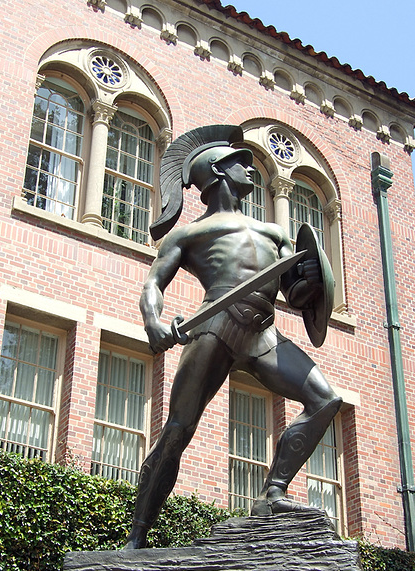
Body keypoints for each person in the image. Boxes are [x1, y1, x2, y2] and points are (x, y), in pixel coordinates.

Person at [124, 125, 341, 549]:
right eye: (241, 164)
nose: (250, 169)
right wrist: (154, 322)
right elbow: (153, 285)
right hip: (214, 328)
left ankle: (272, 495)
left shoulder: (274, 233)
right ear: (220, 173)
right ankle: (136, 537)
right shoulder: (189, 234)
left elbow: (296, 293)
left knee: (325, 399)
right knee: (178, 429)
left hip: (263, 331)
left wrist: (313, 279)